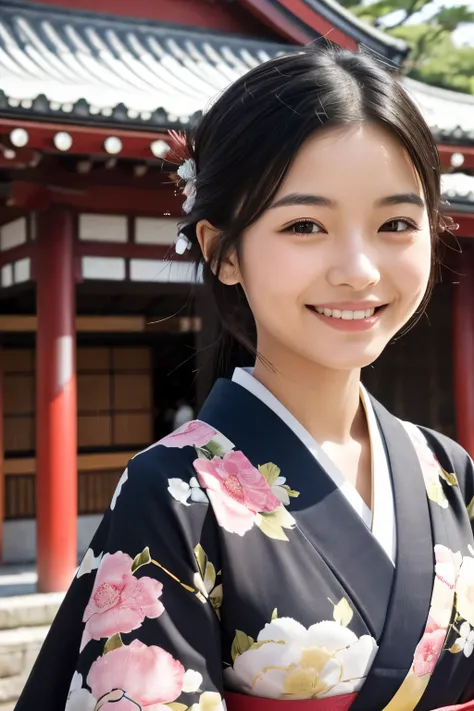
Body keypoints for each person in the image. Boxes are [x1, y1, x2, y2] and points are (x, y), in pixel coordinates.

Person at [14, 42, 474, 711]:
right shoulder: (173, 491)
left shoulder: (449, 470)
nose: (360, 270)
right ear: (221, 250)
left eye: (396, 223)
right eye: (306, 224)